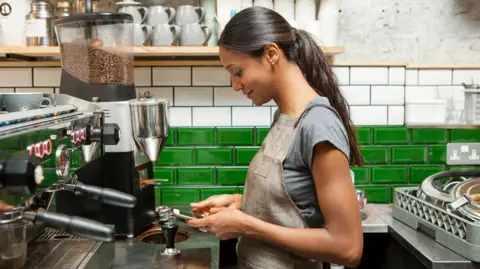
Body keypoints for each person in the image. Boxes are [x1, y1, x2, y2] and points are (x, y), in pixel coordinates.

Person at [187, 6, 364, 269]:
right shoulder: (285, 117)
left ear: (271, 54)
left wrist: (245, 225)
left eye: (237, 72)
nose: (235, 85)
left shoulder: (318, 125)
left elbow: (347, 247)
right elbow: (295, 206)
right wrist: (240, 204)